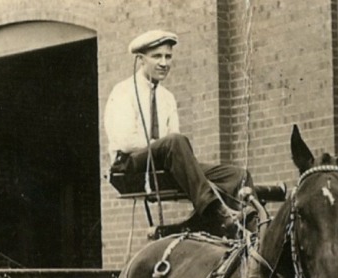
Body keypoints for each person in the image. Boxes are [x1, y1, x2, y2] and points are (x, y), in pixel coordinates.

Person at [104, 30, 251, 238]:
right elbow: (126, 141)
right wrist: (162, 144)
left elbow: (173, 143)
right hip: (129, 167)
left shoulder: (167, 98)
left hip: (164, 163)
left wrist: (168, 148)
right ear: (140, 60)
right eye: (157, 56)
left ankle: (246, 229)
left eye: (168, 56)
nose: (164, 63)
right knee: (174, 142)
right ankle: (215, 213)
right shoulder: (123, 91)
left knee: (237, 175)